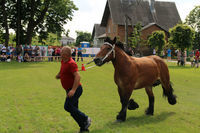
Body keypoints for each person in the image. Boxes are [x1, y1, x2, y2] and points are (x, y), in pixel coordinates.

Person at [56, 46, 91, 132]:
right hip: (69, 90)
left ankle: (86, 118)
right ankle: (83, 127)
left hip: (76, 89)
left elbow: (78, 76)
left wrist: (73, 90)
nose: (60, 54)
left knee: (67, 106)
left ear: (67, 54)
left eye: (62, 53)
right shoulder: (63, 61)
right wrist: (59, 75)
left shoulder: (71, 63)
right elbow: (62, 70)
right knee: (74, 111)